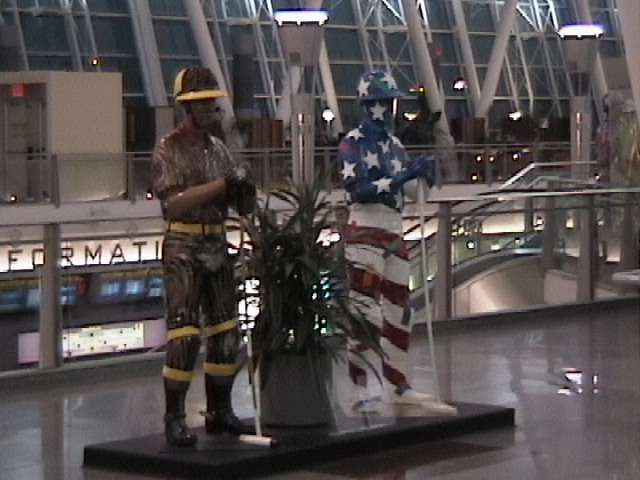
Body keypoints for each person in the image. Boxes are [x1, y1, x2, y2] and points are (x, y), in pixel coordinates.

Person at [339, 70, 455, 415]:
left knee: (400, 311)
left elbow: (410, 190)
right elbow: (358, 189)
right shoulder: (353, 143)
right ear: (366, 104)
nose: (386, 110)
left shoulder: (394, 145)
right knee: (364, 312)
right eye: (380, 102)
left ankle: (397, 385)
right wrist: (405, 175)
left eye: (388, 102)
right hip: (365, 230)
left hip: (394, 229)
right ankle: (358, 388)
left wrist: (423, 174)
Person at [152, 66, 256, 446]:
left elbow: (243, 207)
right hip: (184, 245)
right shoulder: (169, 148)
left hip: (216, 242)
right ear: (188, 107)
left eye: (212, 101)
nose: (211, 108)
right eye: (203, 102)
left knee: (226, 333)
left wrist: (244, 186)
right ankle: (174, 417)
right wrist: (222, 184)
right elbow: (174, 204)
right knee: (184, 335)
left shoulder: (219, 150)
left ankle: (219, 411)